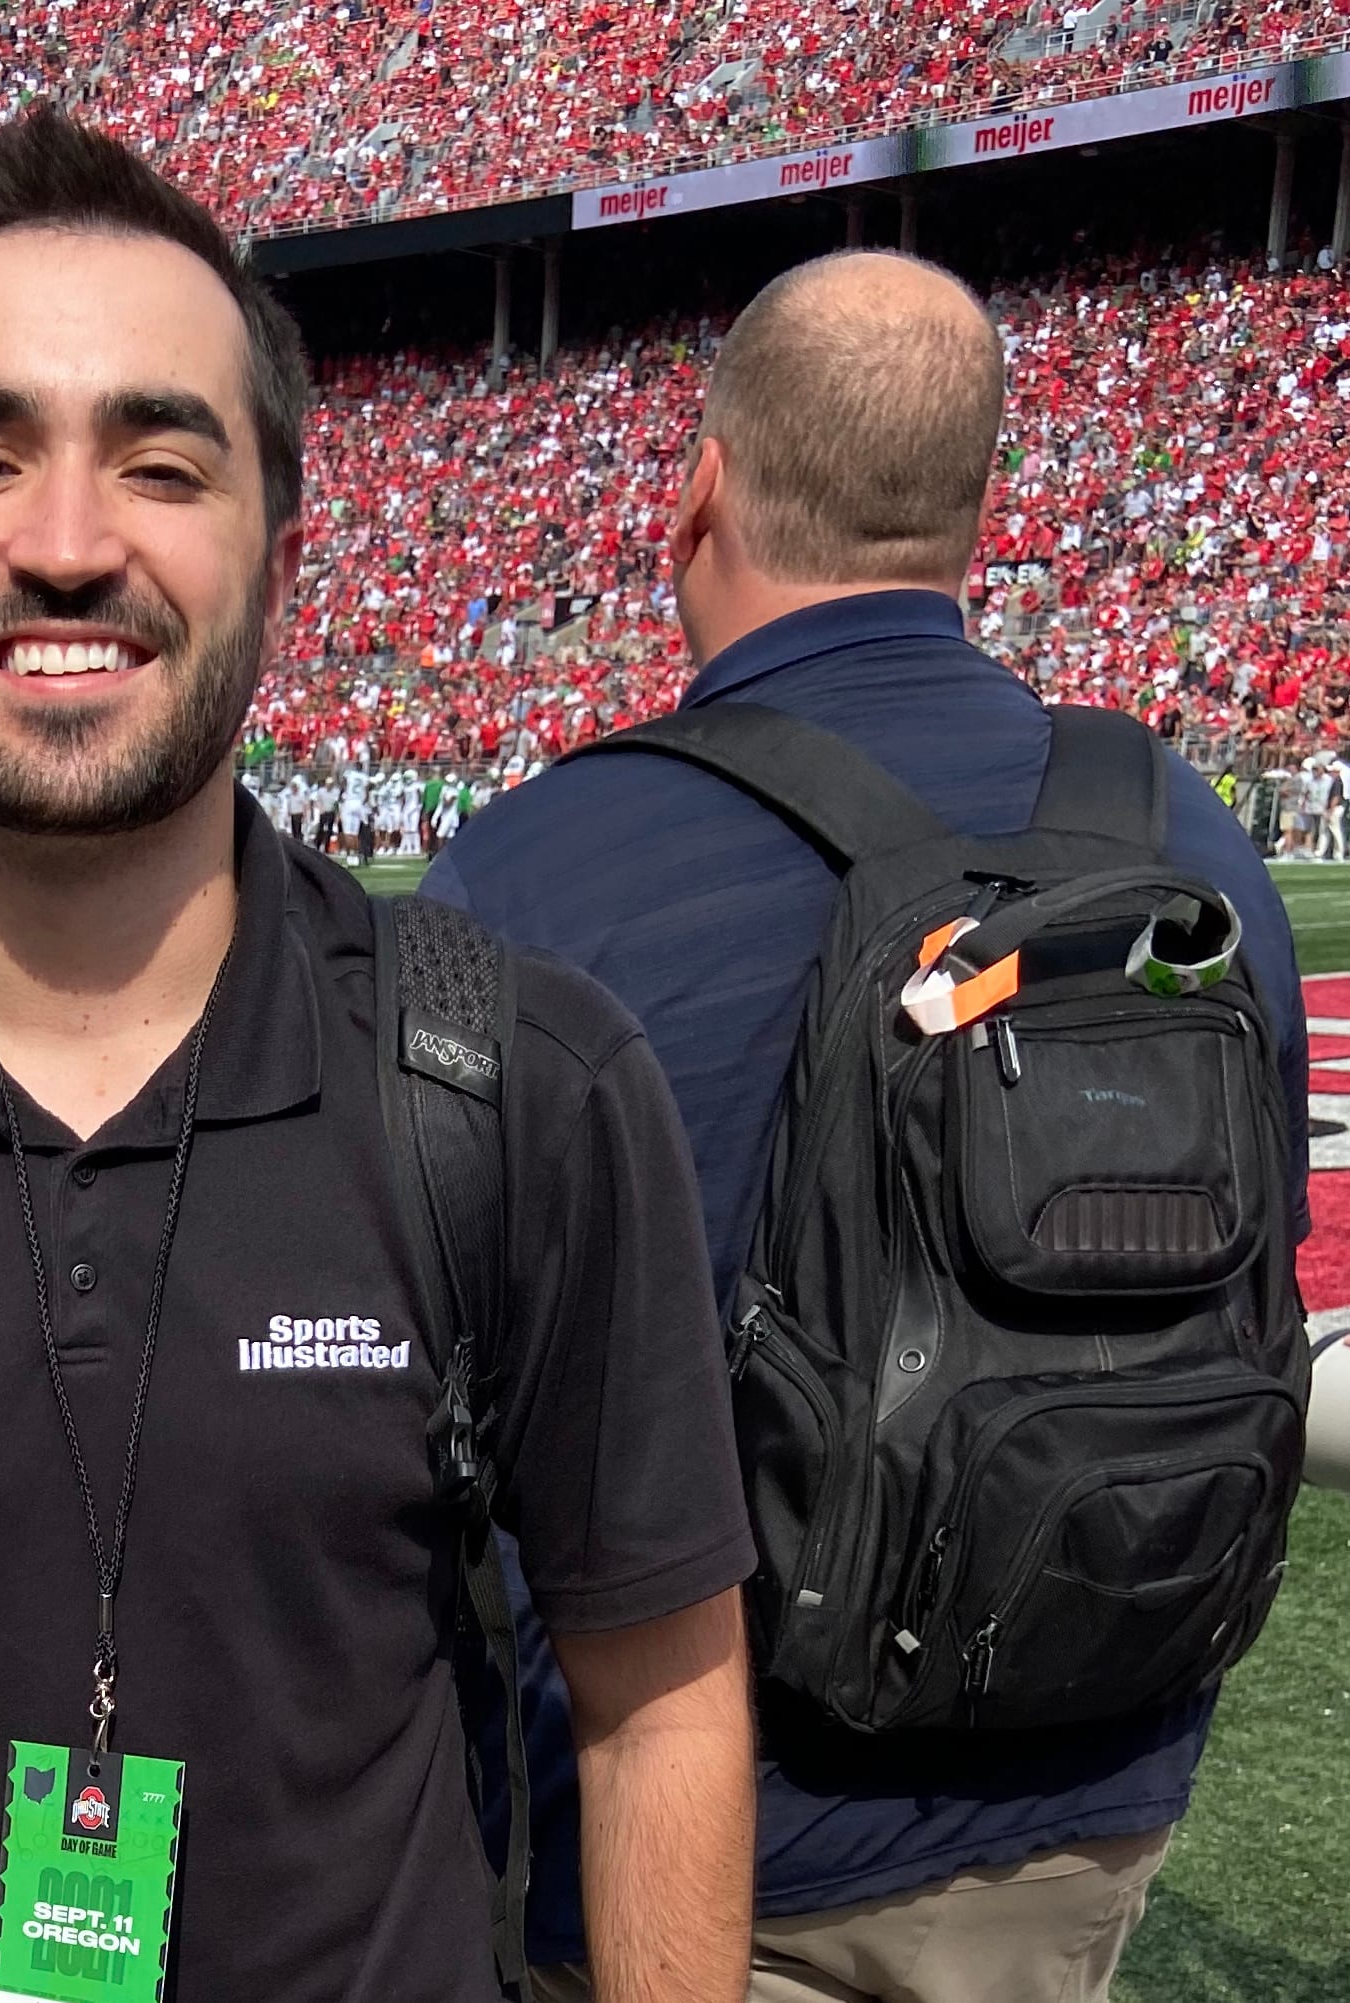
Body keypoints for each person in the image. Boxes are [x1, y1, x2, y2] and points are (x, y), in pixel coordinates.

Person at [0, 108, 754, 2003]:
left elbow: (660, 1701)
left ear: (279, 548)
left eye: (161, 464)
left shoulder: (522, 1090)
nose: (68, 544)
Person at [422, 249, 1311, 2003]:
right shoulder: (1189, 833)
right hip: (1089, 1790)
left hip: (688, 1853)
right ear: (977, 509)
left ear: (698, 491)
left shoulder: (540, 866)